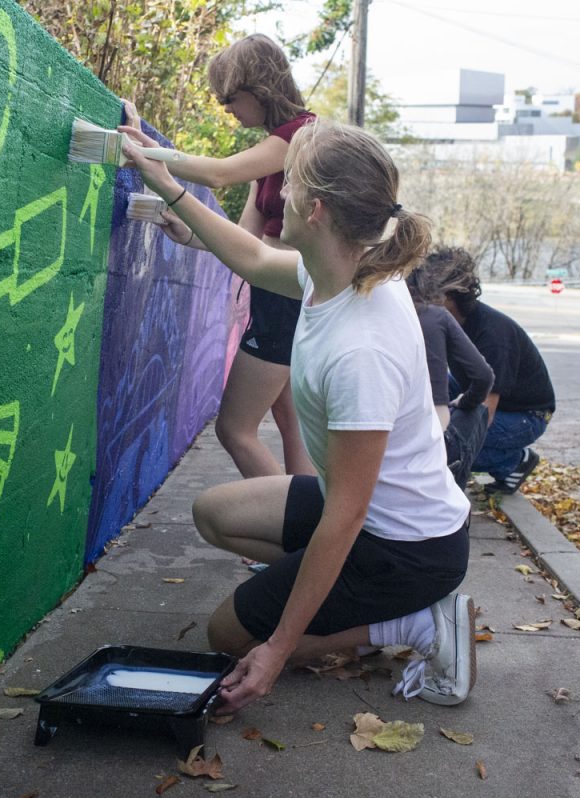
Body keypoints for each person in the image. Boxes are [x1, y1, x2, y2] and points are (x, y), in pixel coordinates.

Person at [119, 119, 476, 714]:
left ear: (315, 209)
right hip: (376, 520)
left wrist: (280, 646)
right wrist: (171, 186)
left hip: (407, 549)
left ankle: (417, 625)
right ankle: (336, 599)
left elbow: (344, 517)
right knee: (215, 513)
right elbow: (256, 258)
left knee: (230, 639)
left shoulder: (363, 349)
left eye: (286, 184)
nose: (276, 195)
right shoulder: (336, 269)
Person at [123, 33, 314, 479]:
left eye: (230, 98)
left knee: (235, 430)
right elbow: (242, 238)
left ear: (259, 87)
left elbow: (220, 173)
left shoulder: (301, 136)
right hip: (278, 296)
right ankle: (303, 531)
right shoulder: (272, 153)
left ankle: (285, 525)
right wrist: (186, 232)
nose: (227, 110)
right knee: (291, 424)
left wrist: (146, 152)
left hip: (287, 301)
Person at [418, 247, 556, 494]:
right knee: (426, 406)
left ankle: (515, 461)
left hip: (526, 415)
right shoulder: (446, 320)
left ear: (451, 296)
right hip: (473, 387)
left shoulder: (493, 335)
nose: (422, 300)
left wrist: (442, 429)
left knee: (450, 446)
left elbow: (485, 416)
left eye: (429, 294)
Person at [405, 268, 494, 488]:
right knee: (477, 410)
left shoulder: (374, 315)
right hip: (433, 439)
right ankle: (453, 483)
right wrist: (464, 401)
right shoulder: (435, 316)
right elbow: (483, 376)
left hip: (387, 440)